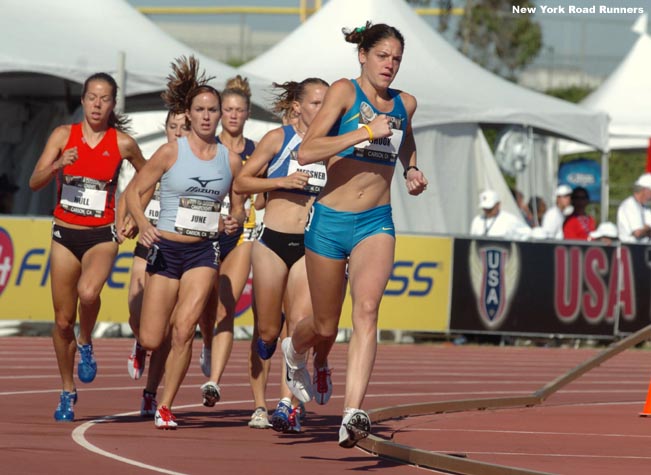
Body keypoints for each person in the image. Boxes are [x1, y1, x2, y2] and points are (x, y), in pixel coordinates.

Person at [280, 22, 428, 448]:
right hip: (328, 222)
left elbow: (404, 142)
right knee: (325, 327)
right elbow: (307, 150)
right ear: (363, 55)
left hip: (376, 222)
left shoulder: (406, 103)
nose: (390, 65)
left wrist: (412, 169)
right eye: (383, 56)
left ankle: (353, 414)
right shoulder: (344, 91)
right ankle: (294, 349)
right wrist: (364, 131)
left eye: (397, 59)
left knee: (366, 309)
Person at [125, 56, 245, 429]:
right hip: (166, 249)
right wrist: (144, 223)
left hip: (203, 252)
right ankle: (145, 355)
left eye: (213, 110)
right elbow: (135, 191)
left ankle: (165, 405)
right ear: (188, 115)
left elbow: (241, 209)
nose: (208, 117)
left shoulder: (232, 160)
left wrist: (232, 221)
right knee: (150, 336)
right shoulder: (170, 151)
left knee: (184, 329)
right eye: (201, 110)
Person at [28, 72, 146, 421]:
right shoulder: (63, 135)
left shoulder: (122, 143)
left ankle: (86, 340)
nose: (97, 104)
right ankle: (67, 390)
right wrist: (57, 164)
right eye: (92, 97)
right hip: (65, 233)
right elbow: (34, 182)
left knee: (89, 292)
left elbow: (149, 173)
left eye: (105, 98)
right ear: (82, 100)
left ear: (113, 104)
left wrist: (134, 214)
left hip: (101, 235)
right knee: (62, 320)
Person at [233, 77, 330, 433]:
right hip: (272, 242)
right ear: (297, 108)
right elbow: (242, 182)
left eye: (327, 103)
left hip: (311, 246)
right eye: (316, 103)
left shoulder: (333, 146)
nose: (323, 110)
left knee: (299, 324)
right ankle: (261, 397)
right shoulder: (278, 139)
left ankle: (286, 405)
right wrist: (281, 183)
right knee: (269, 331)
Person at [198, 75, 260, 409]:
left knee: (225, 305)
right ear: (220, 112)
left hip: (240, 236)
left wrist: (250, 207)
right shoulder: (209, 148)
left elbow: (262, 195)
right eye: (228, 109)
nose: (233, 115)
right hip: (203, 235)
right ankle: (207, 342)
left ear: (247, 113)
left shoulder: (255, 151)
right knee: (203, 310)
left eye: (240, 110)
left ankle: (213, 382)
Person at [125, 111, 190, 418]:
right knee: (138, 317)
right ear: (165, 129)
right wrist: (124, 224)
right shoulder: (158, 159)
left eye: (183, 127)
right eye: (172, 126)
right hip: (146, 245)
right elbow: (130, 193)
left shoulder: (195, 162)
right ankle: (140, 342)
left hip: (178, 250)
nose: (177, 132)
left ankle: (151, 393)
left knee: (168, 328)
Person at [616, 173, 651, 243]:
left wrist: (646, 229)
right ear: (645, 190)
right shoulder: (629, 205)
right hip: (630, 249)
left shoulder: (644, 208)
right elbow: (638, 233)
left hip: (642, 248)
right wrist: (646, 229)